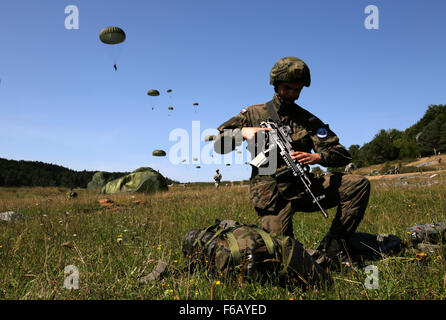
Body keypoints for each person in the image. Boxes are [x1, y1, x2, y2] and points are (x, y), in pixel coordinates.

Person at [213, 56, 371, 269]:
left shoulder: (307, 119)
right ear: (276, 85)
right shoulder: (253, 113)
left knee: (358, 184)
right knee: (282, 255)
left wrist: (318, 157)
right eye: (288, 88)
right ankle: (311, 259)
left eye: (298, 90)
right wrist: (244, 132)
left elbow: (342, 153)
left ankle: (333, 249)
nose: (293, 94)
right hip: (272, 195)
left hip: (304, 187)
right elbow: (219, 145)